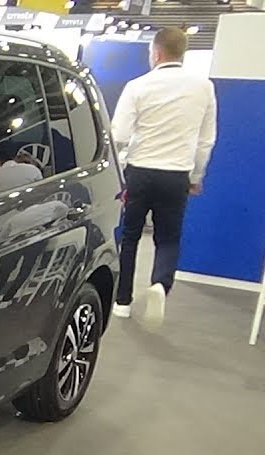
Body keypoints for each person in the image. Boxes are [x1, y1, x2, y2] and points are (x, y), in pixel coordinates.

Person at [111, 27, 218, 326]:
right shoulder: (204, 87)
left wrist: (120, 167)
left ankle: (122, 301)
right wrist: (196, 176)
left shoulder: (137, 86)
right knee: (168, 238)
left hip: (139, 171)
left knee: (129, 236)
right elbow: (206, 140)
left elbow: (119, 134)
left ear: (156, 54)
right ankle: (160, 283)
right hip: (176, 174)